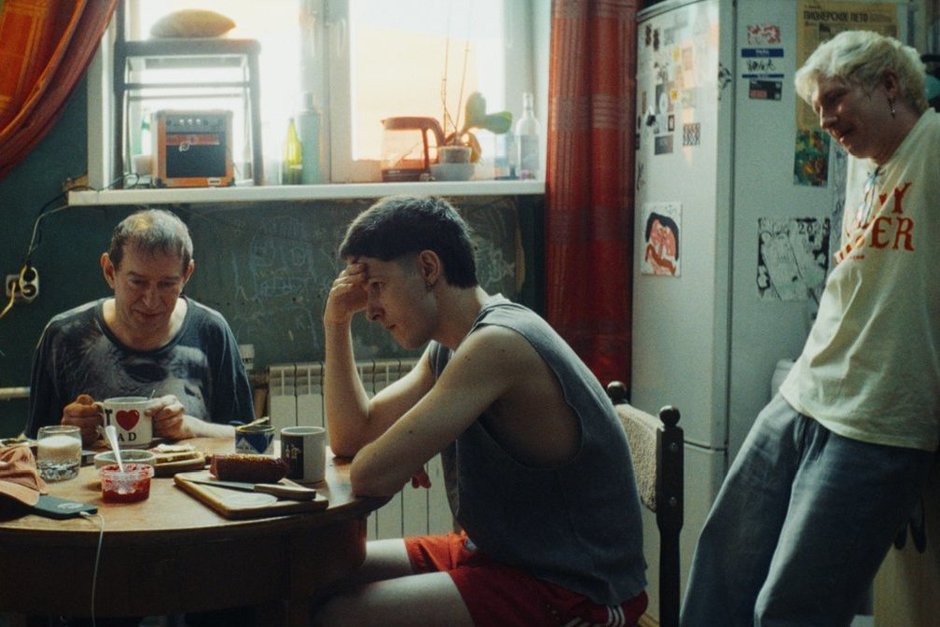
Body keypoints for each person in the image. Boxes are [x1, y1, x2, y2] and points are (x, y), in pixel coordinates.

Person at [681, 31, 939, 626]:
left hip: (878, 422)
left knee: (792, 608)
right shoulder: (861, 163)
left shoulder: (933, 147)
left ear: (890, 85)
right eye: (818, 108)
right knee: (721, 568)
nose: (824, 121)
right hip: (804, 393)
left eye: (835, 99)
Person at [313, 195, 648, 626]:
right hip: (498, 556)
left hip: (573, 586)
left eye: (377, 285)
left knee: (341, 616)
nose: (371, 310)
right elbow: (351, 437)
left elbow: (369, 475)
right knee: (316, 574)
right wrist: (336, 322)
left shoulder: (498, 343)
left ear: (428, 268)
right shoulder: (450, 348)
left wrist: (404, 451)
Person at [26, 208, 254, 446]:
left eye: (167, 284)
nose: (151, 300)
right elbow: (31, 447)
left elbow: (251, 441)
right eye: (137, 282)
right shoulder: (65, 336)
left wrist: (191, 427)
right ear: (109, 271)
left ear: (187, 274)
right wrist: (68, 434)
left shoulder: (210, 331)